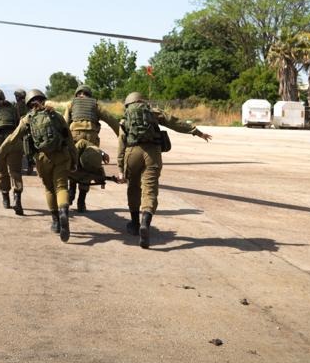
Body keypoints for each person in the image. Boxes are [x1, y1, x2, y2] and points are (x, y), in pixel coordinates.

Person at [118, 91, 212, 248]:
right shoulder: (153, 112)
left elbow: (121, 143)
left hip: (132, 153)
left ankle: (134, 225)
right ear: (142, 101)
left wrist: (121, 168)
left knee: (133, 188)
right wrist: (196, 132)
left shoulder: (124, 118)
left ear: (128, 104)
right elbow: (174, 122)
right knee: (150, 189)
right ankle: (145, 223)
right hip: (152, 154)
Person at [0, 89, 73, 241]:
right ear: (44, 99)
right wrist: (74, 159)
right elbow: (69, 139)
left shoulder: (27, 119)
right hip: (61, 155)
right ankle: (64, 212)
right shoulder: (56, 115)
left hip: (42, 159)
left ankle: (56, 222)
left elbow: (12, 139)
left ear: (28, 104)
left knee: (49, 188)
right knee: (62, 187)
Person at [64, 84, 120, 213]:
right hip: (91, 139)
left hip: (74, 137)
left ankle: (71, 194)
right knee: (88, 166)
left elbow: (64, 122)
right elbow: (111, 119)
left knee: (73, 164)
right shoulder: (95, 104)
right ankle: (81, 202)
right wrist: (121, 135)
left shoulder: (71, 104)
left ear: (77, 94)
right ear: (89, 94)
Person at [13, 88, 36, 174]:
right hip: (31, 127)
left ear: (18, 97)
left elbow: (16, 118)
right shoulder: (30, 103)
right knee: (30, 147)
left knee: (25, 148)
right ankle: (31, 163)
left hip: (22, 128)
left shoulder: (18, 105)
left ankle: (28, 165)